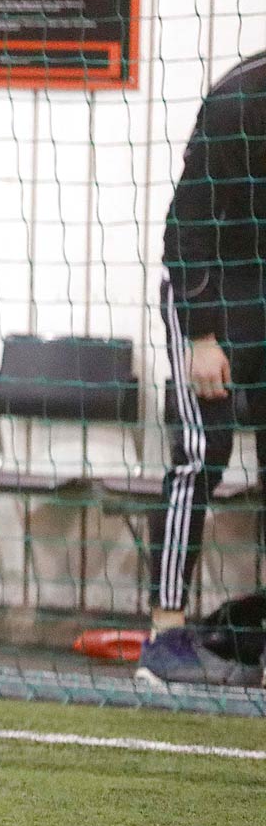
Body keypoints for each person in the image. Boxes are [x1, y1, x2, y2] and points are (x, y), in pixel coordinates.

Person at [145, 47, 266, 686]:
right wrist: (201, 336)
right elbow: (183, 229)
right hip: (209, 291)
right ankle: (165, 637)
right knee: (200, 455)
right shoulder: (238, 100)